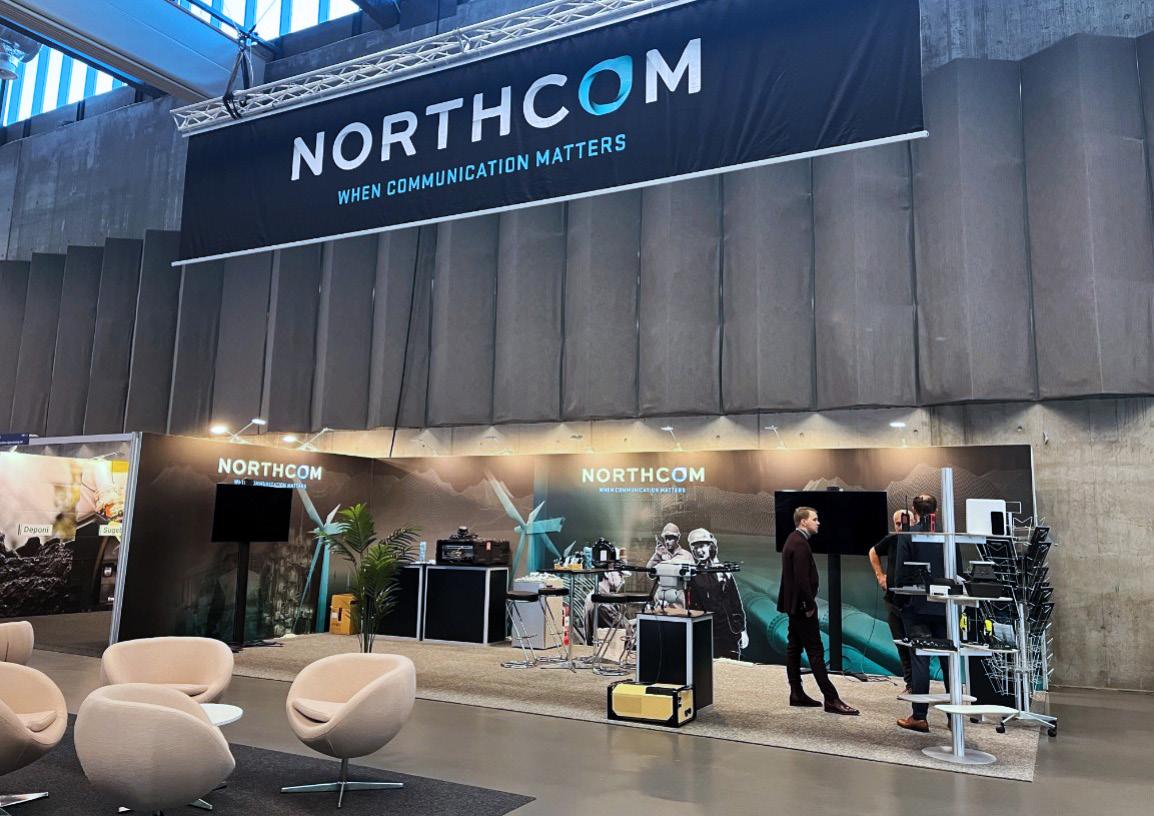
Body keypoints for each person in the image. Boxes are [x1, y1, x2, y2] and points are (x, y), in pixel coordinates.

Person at [777, 507, 859, 715]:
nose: (818, 522)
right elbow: (801, 580)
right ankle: (831, 699)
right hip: (802, 608)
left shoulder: (792, 540)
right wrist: (809, 605)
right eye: (815, 519)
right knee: (815, 652)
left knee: (794, 648)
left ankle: (796, 693)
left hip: (795, 607)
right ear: (803, 521)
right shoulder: (800, 544)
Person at [895, 493, 951, 733]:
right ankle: (954, 716)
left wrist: (900, 603)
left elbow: (900, 574)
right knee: (949, 660)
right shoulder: (948, 535)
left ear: (914, 512)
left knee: (920, 660)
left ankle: (919, 716)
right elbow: (957, 570)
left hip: (916, 607)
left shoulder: (908, 535)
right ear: (935, 511)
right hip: (945, 606)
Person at [868, 509, 914, 693]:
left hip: (914, 603)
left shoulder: (920, 540)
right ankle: (910, 684)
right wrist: (880, 576)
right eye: (897, 523)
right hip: (893, 601)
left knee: (915, 645)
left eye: (905, 522)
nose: (901, 526)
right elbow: (873, 552)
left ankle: (920, 683)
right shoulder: (893, 539)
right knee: (901, 644)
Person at [685, 528, 748, 660]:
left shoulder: (724, 572)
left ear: (710, 547)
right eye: (695, 547)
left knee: (732, 666)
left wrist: (742, 631)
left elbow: (735, 602)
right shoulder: (693, 575)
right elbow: (690, 606)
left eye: (702, 546)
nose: (699, 550)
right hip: (706, 632)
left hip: (728, 632)